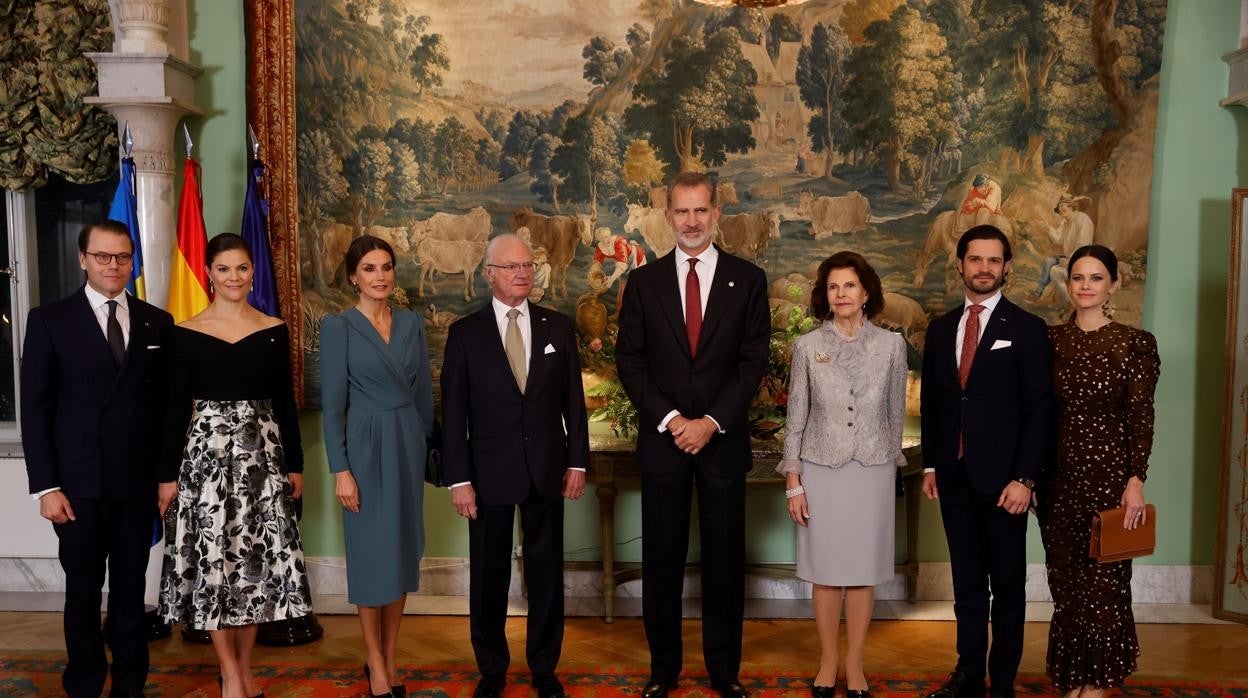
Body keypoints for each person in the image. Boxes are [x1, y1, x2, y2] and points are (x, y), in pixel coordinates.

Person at [615, 172, 771, 698]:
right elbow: (630, 362)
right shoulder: (643, 283)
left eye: (700, 211)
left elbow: (752, 364)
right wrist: (674, 421)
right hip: (665, 445)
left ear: (716, 214)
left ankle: (724, 673)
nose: (691, 221)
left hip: (722, 443)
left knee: (726, 561)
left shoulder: (748, 280)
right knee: (662, 559)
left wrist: (710, 423)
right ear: (667, 217)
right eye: (681, 212)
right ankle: (664, 671)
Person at [20, 220, 173, 698]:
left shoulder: (156, 322)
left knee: (131, 593)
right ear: (82, 259)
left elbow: (168, 411)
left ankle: (130, 686)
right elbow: (35, 409)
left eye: (123, 257)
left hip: (136, 485)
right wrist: (46, 487)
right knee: (83, 593)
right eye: (104, 256)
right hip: (76, 487)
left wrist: (166, 478)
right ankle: (84, 684)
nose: (114, 265)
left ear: (133, 261)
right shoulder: (50, 320)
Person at [157, 233, 312, 698]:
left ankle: (245, 669)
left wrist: (296, 466)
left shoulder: (273, 328)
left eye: (242, 268)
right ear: (208, 272)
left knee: (254, 564)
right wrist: (166, 475)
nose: (234, 277)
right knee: (214, 563)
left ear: (252, 272)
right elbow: (171, 410)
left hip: (263, 459)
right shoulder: (185, 332)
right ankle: (227, 672)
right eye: (224, 269)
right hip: (204, 460)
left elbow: (286, 402)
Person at [441, 233, 590, 698]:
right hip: (486, 477)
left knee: (546, 572)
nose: (523, 273)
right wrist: (459, 480)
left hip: (547, 468)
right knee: (489, 576)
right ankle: (492, 668)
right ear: (489, 274)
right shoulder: (465, 334)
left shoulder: (558, 327)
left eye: (528, 265)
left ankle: (545, 666)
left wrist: (578, 463)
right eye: (511, 267)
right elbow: (454, 414)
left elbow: (574, 404)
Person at [920, 225, 1053, 698]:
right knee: (967, 585)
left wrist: (1025, 478)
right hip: (953, 477)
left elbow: (1040, 410)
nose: (983, 268)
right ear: (960, 265)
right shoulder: (940, 329)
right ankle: (968, 673)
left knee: (1009, 588)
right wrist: (933, 465)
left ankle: (1003, 682)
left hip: (1004, 483)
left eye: (993, 261)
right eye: (975, 259)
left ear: (1007, 268)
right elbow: (937, 404)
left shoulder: (1027, 329)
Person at [779, 251, 907, 698]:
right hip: (821, 469)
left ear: (866, 291)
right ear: (825, 296)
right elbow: (795, 418)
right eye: (833, 287)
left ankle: (855, 664)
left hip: (872, 470)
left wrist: (892, 468)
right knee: (827, 570)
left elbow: (895, 416)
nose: (842, 294)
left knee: (862, 571)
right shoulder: (807, 347)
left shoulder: (893, 346)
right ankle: (827, 662)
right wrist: (793, 481)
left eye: (849, 285)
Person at [1039, 245, 1159, 697]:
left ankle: (1100, 680)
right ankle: (1073, 678)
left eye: (1095, 277)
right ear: (1068, 284)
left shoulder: (1133, 343)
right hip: (1057, 481)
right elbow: (1037, 414)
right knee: (1065, 584)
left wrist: (1135, 480)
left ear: (1113, 283)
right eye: (1077, 278)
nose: (1085, 286)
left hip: (1111, 480)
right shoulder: (1050, 341)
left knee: (1106, 584)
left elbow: (1140, 417)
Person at [320, 235, 434, 698]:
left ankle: (390, 656)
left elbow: (425, 395)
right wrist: (341, 469)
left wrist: (425, 448)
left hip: (407, 443)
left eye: (386, 267)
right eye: (369, 268)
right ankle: (373, 659)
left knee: (403, 553)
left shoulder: (411, 324)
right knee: (371, 558)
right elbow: (331, 409)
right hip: (364, 448)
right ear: (353, 276)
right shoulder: (338, 327)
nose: (380, 276)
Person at [1034, 194, 1095, 301]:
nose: (1061, 211)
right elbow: (1058, 239)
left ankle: (1070, 303)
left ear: (1071, 207)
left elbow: (1082, 247)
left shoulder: (1083, 220)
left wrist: (1069, 261)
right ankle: (1038, 293)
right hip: (1067, 258)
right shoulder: (1065, 222)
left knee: (1054, 270)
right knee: (1047, 261)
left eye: (1063, 207)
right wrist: (1048, 227)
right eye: (1059, 209)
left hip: (1080, 260)